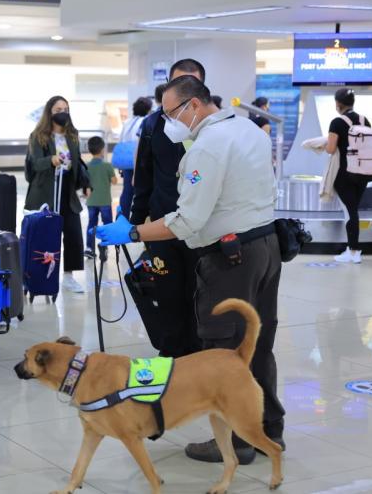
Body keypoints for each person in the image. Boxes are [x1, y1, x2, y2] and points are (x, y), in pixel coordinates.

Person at [97, 75, 285, 466]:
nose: (167, 122)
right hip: (266, 246)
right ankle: (268, 427)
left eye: (170, 113)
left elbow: (188, 221)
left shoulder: (209, 147)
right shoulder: (249, 130)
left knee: (223, 351)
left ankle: (236, 442)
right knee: (258, 340)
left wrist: (131, 231)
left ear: (193, 106)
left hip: (231, 257)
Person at [131, 59, 206, 359]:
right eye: (178, 83)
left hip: (201, 227)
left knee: (200, 293)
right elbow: (143, 176)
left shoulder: (214, 127)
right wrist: (134, 224)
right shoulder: (153, 125)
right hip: (162, 225)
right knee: (168, 291)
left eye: (190, 83)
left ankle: (200, 353)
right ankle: (172, 352)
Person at [24, 95, 91, 294]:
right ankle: (39, 275)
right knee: (45, 235)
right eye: (58, 109)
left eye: (66, 109)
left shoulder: (72, 135)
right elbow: (35, 163)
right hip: (46, 189)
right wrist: (50, 160)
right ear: (49, 112)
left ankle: (69, 276)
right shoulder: (38, 136)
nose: (63, 113)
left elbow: (78, 161)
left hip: (67, 190)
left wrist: (86, 182)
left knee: (73, 234)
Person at [325, 88, 372, 264]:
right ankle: (353, 249)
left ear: (338, 104)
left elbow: (331, 149)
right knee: (353, 209)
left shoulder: (337, 122)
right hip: (363, 172)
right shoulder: (365, 120)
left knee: (350, 212)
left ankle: (354, 251)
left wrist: (324, 143)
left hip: (345, 174)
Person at [117, 97, 153, 220]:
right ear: (148, 109)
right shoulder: (146, 121)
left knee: (126, 191)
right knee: (140, 191)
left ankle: (122, 218)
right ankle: (137, 219)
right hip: (138, 161)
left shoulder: (127, 122)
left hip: (125, 161)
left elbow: (121, 140)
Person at [84, 136, 117, 257]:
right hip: (105, 201)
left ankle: (89, 248)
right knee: (107, 224)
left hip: (91, 201)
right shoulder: (107, 166)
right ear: (103, 149)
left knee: (91, 224)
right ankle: (104, 246)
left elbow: (85, 184)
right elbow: (114, 181)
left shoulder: (86, 166)